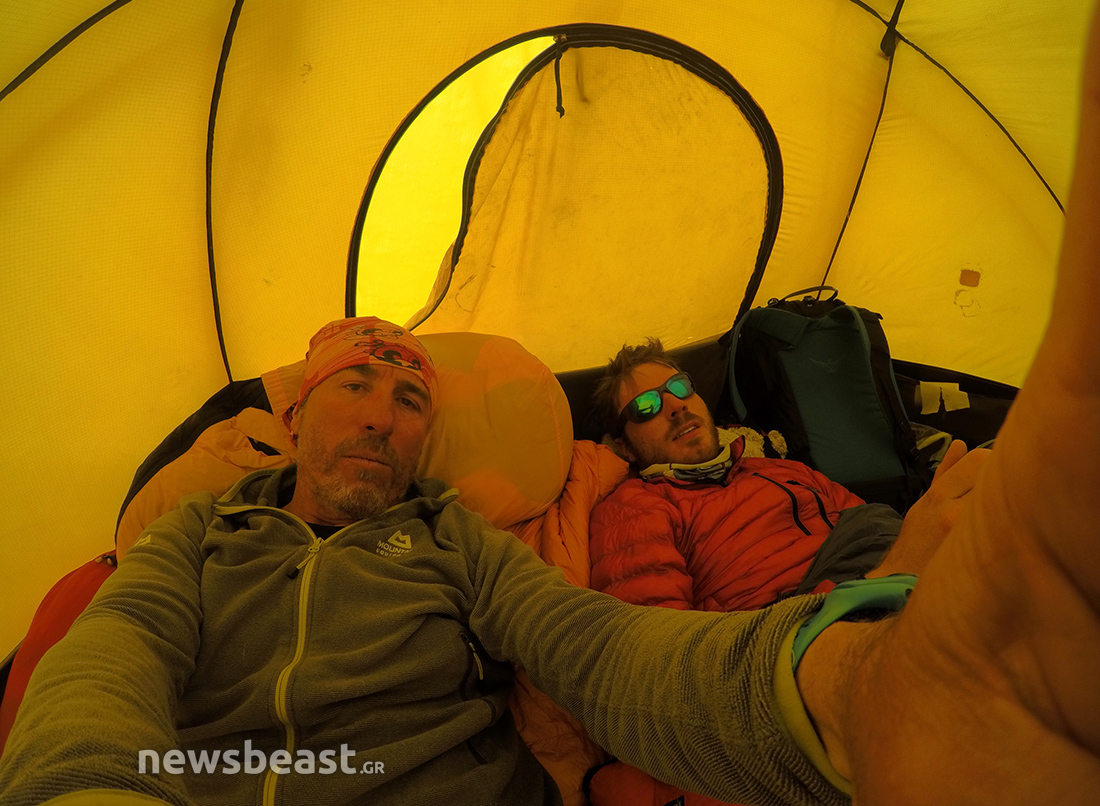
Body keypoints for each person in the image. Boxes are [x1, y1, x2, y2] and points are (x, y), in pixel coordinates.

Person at [3, 9, 1100, 803]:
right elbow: (112, 657)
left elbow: (600, 649)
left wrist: (845, 695)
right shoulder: (202, 532)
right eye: (356, 384)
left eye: (411, 397)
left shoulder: (453, 537)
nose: (384, 414)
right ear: (293, 416)